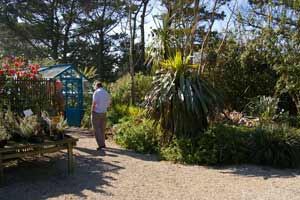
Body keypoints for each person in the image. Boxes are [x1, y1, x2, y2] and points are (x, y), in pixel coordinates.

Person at [91, 81, 110, 150]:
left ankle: (101, 145)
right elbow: (108, 103)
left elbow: (94, 103)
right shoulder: (106, 93)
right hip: (104, 112)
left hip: (96, 112)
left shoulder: (96, 92)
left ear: (97, 86)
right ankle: (103, 143)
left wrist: (92, 110)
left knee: (96, 129)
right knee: (102, 129)